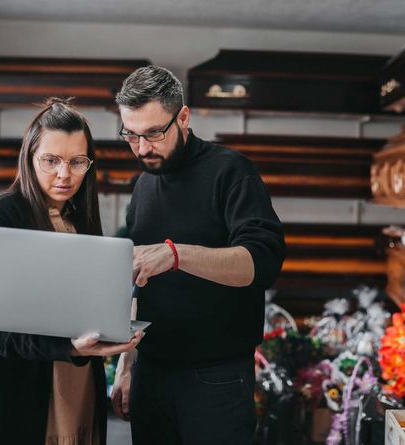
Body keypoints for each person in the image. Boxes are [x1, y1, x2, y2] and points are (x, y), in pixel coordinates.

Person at [0, 98, 143, 445]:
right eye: (51, 160)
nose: (64, 174)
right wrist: (70, 346)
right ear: (30, 158)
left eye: (77, 162)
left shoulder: (79, 219)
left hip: (75, 386)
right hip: (15, 395)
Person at [110, 66, 286, 445]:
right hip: (150, 372)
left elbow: (262, 263)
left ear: (183, 117)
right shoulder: (142, 184)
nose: (142, 149)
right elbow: (136, 285)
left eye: (154, 133)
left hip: (215, 378)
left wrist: (176, 255)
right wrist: (126, 366)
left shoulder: (231, 172)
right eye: (131, 135)